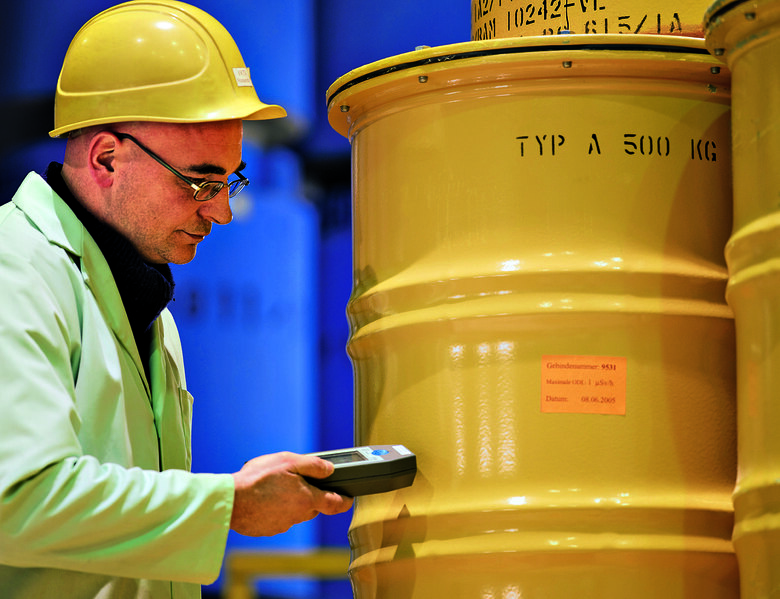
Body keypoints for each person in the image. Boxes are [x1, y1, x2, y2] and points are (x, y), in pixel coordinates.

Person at [0, 2, 353, 597]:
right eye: (199, 181)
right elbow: (17, 498)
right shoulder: (17, 269)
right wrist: (226, 505)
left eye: (230, 182)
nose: (219, 212)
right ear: (108, 158)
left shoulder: (145, 304)